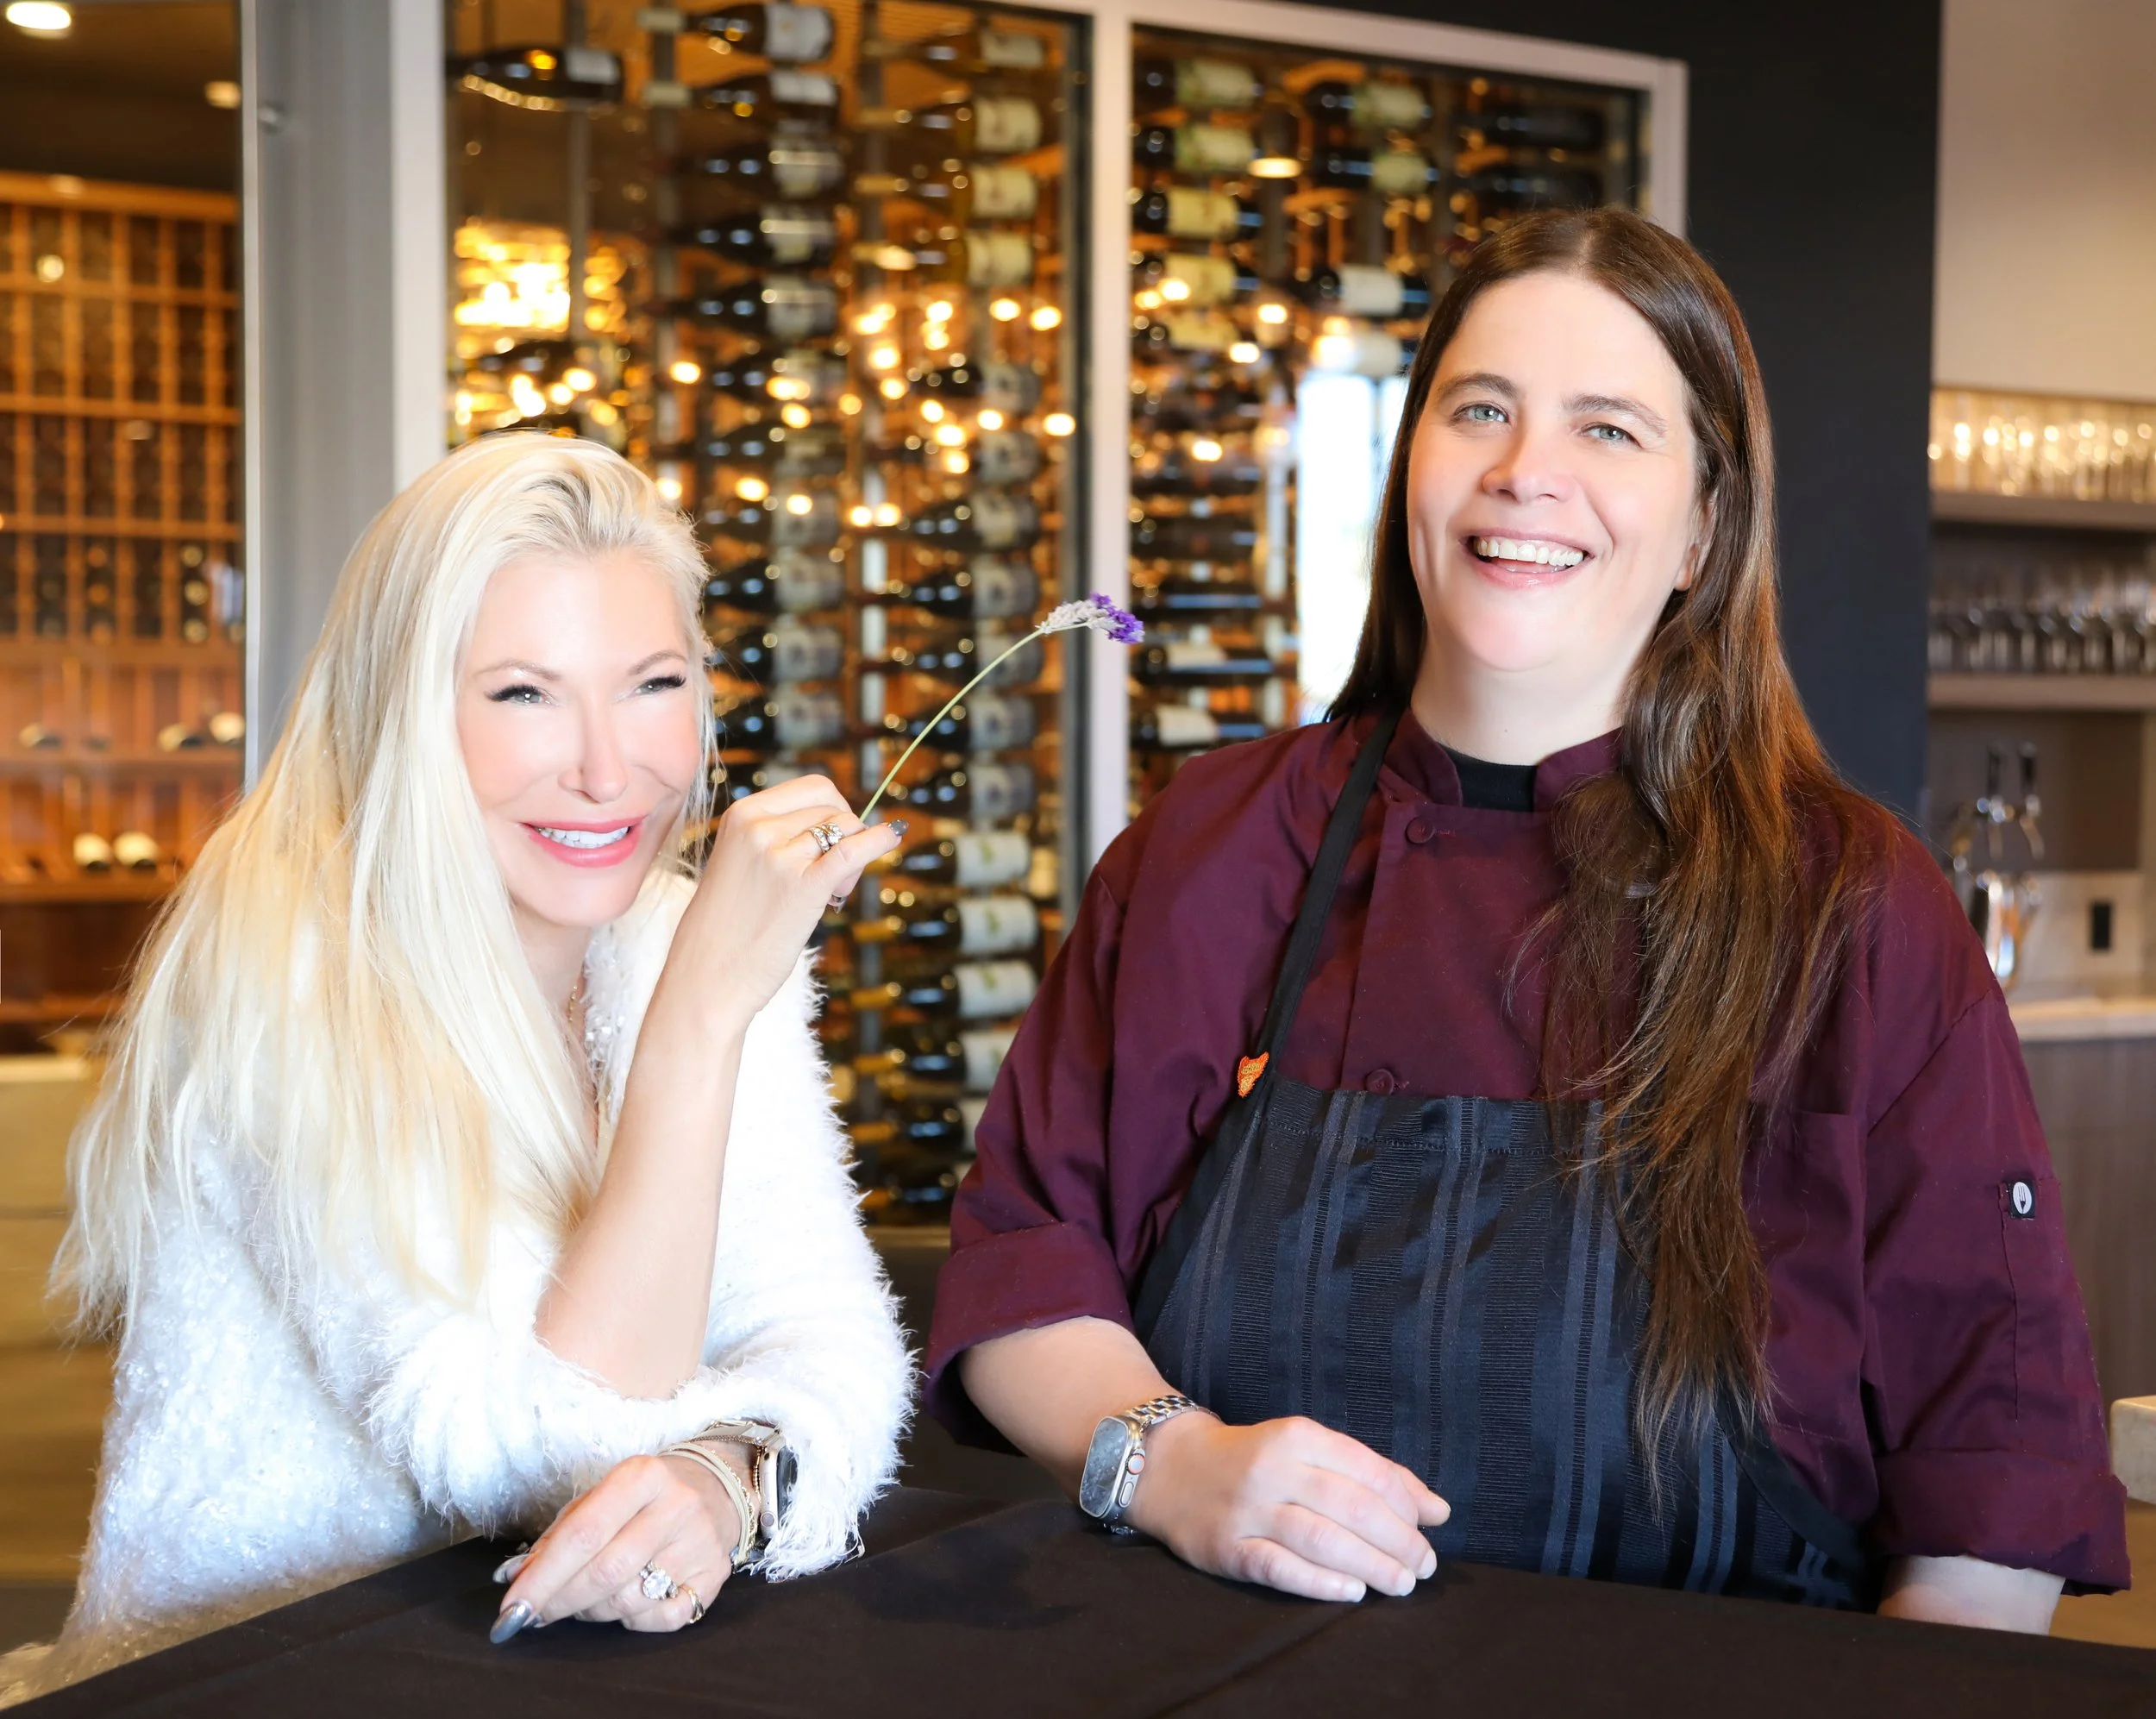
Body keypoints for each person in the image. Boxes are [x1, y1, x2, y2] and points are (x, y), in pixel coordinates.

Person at [928, 208, 2128, 1631]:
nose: (1524, 474)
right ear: (1409, 467)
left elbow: (1984, 1471)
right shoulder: (1206, 851)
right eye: (1479, 409)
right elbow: (1025, 1265)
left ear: (1704, 526)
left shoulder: (1855, 913)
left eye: (1609, 429)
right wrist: (1170, 1462)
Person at [2, 435, 910, 1703]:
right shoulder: (286, 975)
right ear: (406, 711)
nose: (608, 768)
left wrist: (723, 1475)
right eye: (523, 695)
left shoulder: (670, 940)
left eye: (652, 684)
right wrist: (698, 1027)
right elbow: (516, 1449)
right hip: (253, 1683)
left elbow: (834, 1341)